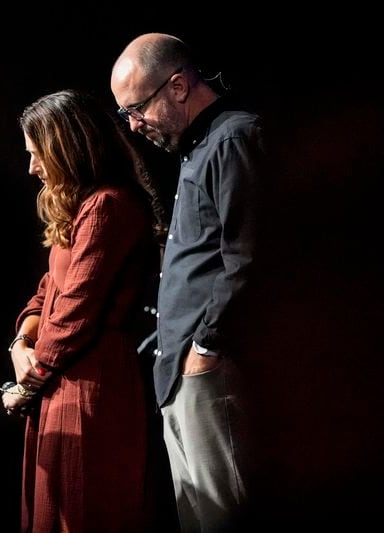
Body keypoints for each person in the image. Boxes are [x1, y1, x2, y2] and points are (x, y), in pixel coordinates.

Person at [111, 33, 266, 531]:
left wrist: (206, 346)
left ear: (178, 86)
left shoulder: (234, 138)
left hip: (206, 370)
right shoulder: (195, 149)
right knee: (196, 519)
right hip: (182, 371)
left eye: (136, 109)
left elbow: (248, 258)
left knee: (225, 518)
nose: (134, 126)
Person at [1, 89, 165, 532]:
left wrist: (30, 380)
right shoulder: (79, 207)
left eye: (38, 154)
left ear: (67, 148)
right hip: (60, 379)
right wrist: (21, 344)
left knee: (85, 507)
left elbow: (76, 311)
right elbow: (46, 291)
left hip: (90, 382)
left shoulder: (108, 206)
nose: (33, 167)